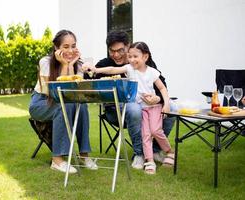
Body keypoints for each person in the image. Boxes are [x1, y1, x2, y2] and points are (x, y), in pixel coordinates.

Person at [84, 31, 175, 169]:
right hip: (115, 111)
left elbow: (162, 86)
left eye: (120, 50)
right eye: (112, 51)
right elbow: (89, 79)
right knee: (134, 108)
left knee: (173, 108)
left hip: (148, 107)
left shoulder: (144, 62)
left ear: (128, 47)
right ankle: (139, 153)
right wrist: (89, 69)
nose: (116, 55)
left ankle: (155, 151)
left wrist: (158, 99)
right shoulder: (107, 63)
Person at [29, 30, 98, 173]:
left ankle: (83, 155)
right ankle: (57, 160)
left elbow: (72, 94)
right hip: (41, 103)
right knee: (63, 106)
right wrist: (65, 66)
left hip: (63, 101)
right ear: (56, 47)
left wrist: (72, 65)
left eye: (73, 46)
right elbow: (55, 92)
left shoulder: (79, 65)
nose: (70, 50)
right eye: (66, 47)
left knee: (81, 106)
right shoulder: (45, 62)